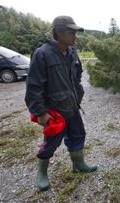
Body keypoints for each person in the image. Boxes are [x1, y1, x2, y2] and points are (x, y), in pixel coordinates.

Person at [25, 15, 97, 191]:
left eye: (75, 32)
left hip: (72, 106)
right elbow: (34, 86)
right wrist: (40, 112)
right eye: (71, 32)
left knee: (78, 134)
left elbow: (78, 72)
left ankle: (78, 165)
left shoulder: (72, 52)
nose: (74, 36)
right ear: (58, 32)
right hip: (54, 111)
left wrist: (76, 90)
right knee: (51, 142)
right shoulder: (42, 54)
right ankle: (41, 173)